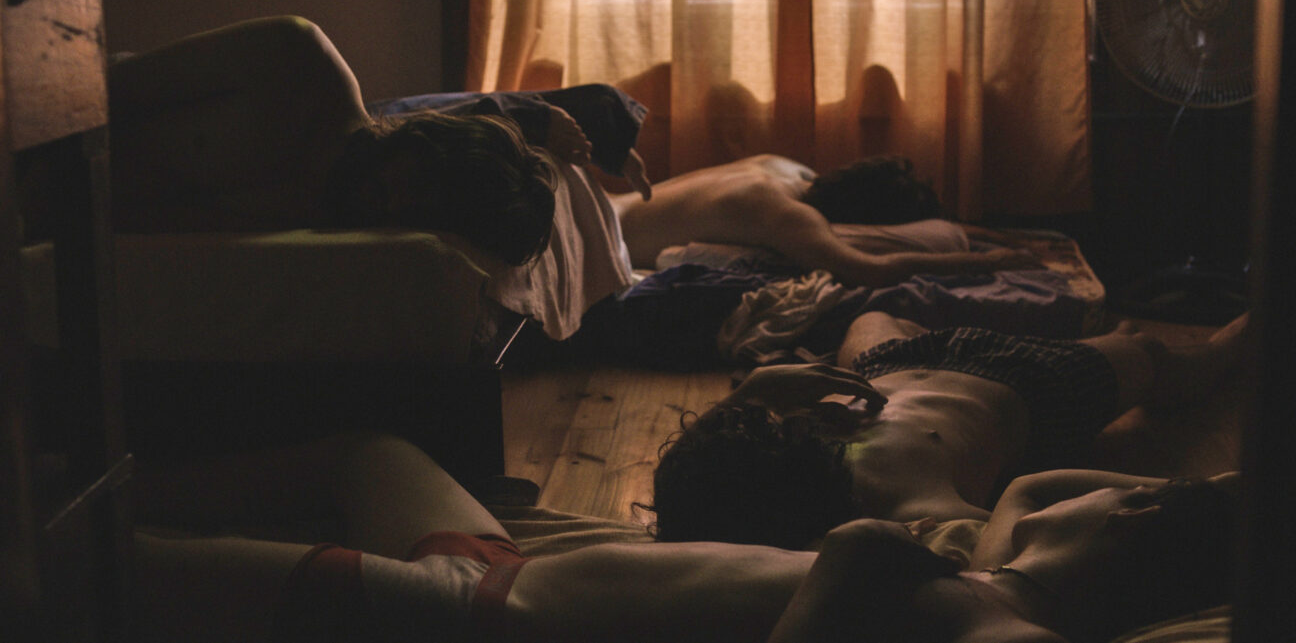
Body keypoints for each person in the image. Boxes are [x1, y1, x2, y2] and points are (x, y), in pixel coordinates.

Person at [131, 432, 1237, 643]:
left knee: (104, 575)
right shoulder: (991, 565)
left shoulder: (1003, 625)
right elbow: (1039, 484)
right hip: (511, 574)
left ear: (1134, 517)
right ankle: (108, 481)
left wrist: (853, 563)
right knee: (366, 452)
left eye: (1138, 490)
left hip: (464, 621)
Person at [46, 16, 645, 265]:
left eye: (424, 212)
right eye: (417, 182)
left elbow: (138, 221)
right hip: (37, 137)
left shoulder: (318, 221)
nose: (395, 206)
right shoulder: (297, 60)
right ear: (423, 142)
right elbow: (95, 86)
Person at [647, 311, 1250, 549]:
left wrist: (755, 388)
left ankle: (1096, 332)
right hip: (1033, 383)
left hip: (891, 363)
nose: (789, 429)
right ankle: (1252, 324)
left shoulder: (751, 467)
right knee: (1157, 355)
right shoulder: (908, 509)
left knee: (872, 314)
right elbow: (1004, 541)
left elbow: (699, 466)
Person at [770, 469, 1239, 643]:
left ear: (1131, 517)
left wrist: (852, 549)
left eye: (1119, 489)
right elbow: (1030, 487)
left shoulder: (1013, 632)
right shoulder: (991, 578)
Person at [608, 153, 1037, 285]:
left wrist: (986, 233)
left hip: (606, 202)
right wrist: (988, 261)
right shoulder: (788, 216)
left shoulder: (777, 166)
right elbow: (870, 269)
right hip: (602, 236)